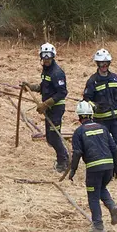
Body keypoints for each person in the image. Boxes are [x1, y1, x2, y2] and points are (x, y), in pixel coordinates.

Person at [69, 100, 117, 232]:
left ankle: (98, 225)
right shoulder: (103, 127)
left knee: (93, 196)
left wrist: (72, 170)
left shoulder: (79, 132)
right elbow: (115, 148)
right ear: (91, 114)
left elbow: (77, 153)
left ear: (79, 117)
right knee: (101, 188)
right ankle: (112, 206)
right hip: (108, 166)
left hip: (94, 168)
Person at [21, 42, 69, 173]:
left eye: (49, 57)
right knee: (49, 137)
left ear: (53, 57)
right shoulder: (46, 70)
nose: (46, 60)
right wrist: (31, 87)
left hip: (56, 109)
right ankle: (64, 157)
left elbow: (62, 93)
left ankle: (63, 161)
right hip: (49, 109)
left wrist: (45, 104)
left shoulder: (57, 73)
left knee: (53, 136)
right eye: (44, 58)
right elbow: (44, 86)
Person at [83, 48, 117, 154]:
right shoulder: (92, 81)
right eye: (102, 63)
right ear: (97, 63)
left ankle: (115, 159)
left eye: (106, 63)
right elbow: (86, 99)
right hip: (101, 120)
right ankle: (109, 166)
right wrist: (94, 106)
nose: (104, 65)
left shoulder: (115, 78)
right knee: (102, 145)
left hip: (115, 118)